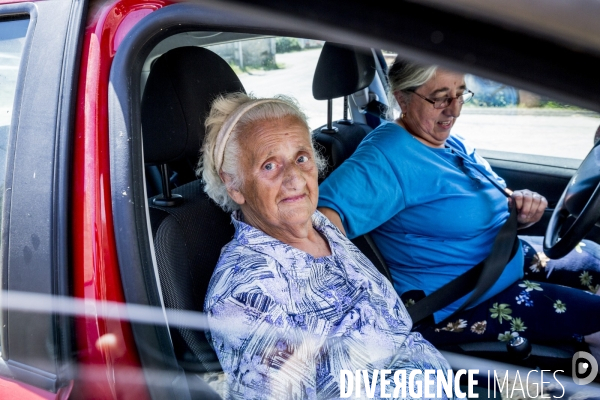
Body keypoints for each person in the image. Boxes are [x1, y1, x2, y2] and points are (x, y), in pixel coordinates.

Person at [317, 58, 600, 356]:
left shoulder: (449, 142)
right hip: (460, 301)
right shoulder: (385, 158)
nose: (454, 109)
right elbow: (317, 223)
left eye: (460, 94)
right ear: (402, 97)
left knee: (595, 259)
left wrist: (520, 209)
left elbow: (476, 206)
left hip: (502, 258)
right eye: (439, 98)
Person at [199, 93, 452, 399]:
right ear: (234, 184)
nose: (295, 178)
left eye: (301, 157)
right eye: (269, 165)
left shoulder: (319, 226)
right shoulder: (242, 298)